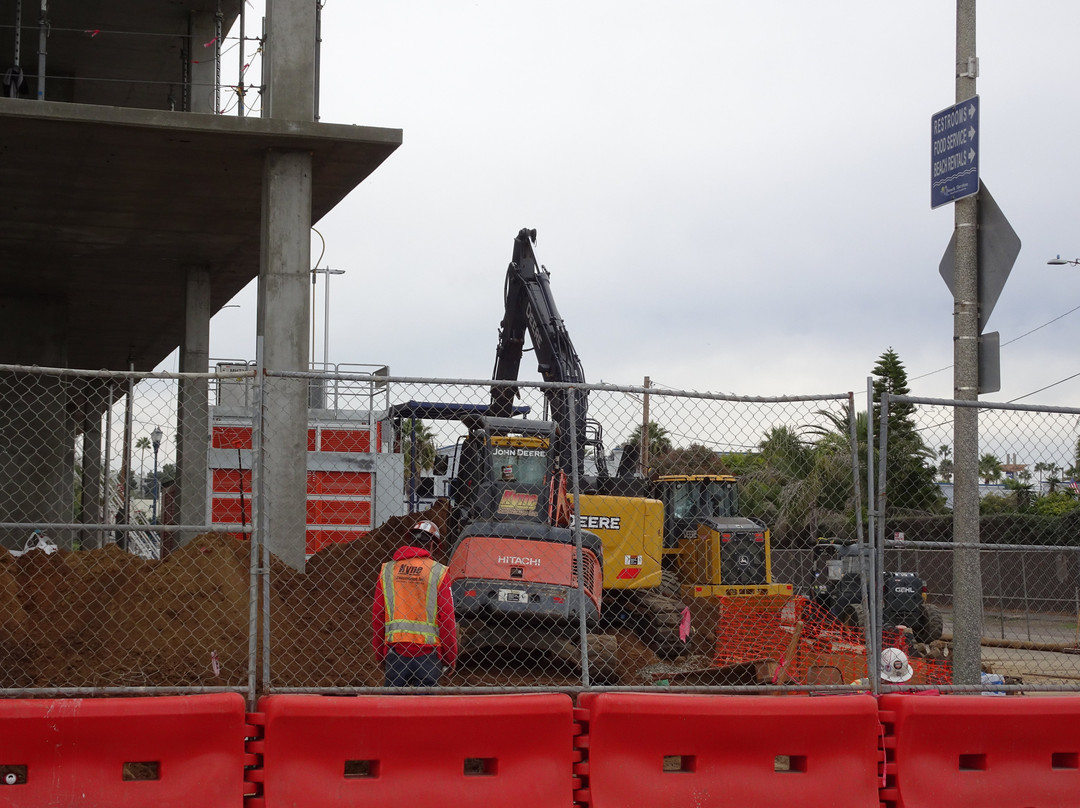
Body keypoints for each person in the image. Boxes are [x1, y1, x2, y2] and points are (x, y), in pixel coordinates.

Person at [371, 519, 457, 687]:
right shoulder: (438, 572)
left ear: (410, 540)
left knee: (394, 701)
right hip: (428, 656)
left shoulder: (388, 570)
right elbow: (447, 618)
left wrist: (380, 655)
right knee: (426, 703)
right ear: (432, 545)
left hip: (395, 653)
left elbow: (378, 615)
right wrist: (450, 657)